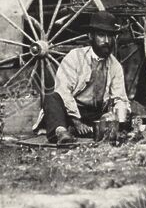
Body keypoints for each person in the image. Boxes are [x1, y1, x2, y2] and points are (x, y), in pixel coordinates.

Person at [37, 11, 132, 146]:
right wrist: (76, 120)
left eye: (110, 36)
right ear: (90, 36)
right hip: (72, 111)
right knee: (52, 97)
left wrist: (119, 116)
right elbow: (64, 91)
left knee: (124, 118)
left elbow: (120, 97)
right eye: (101, 35)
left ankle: (87, 131)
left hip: (96, 115)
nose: (106, 41)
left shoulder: (115, 66)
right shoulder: (75, 57)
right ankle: (62, 132)